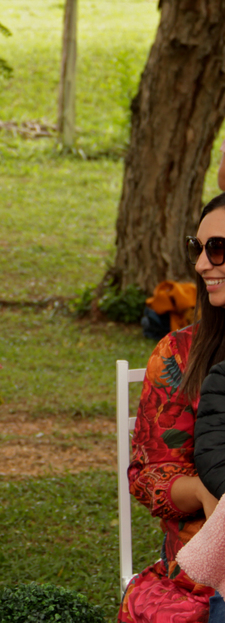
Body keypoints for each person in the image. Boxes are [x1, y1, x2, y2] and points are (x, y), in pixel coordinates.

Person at [121, 193, 225, 623]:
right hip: (200, 571)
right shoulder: (178, 355)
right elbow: (148, 474)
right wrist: (202, 492)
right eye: (196, 249)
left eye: (217, 248)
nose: (201, 265)